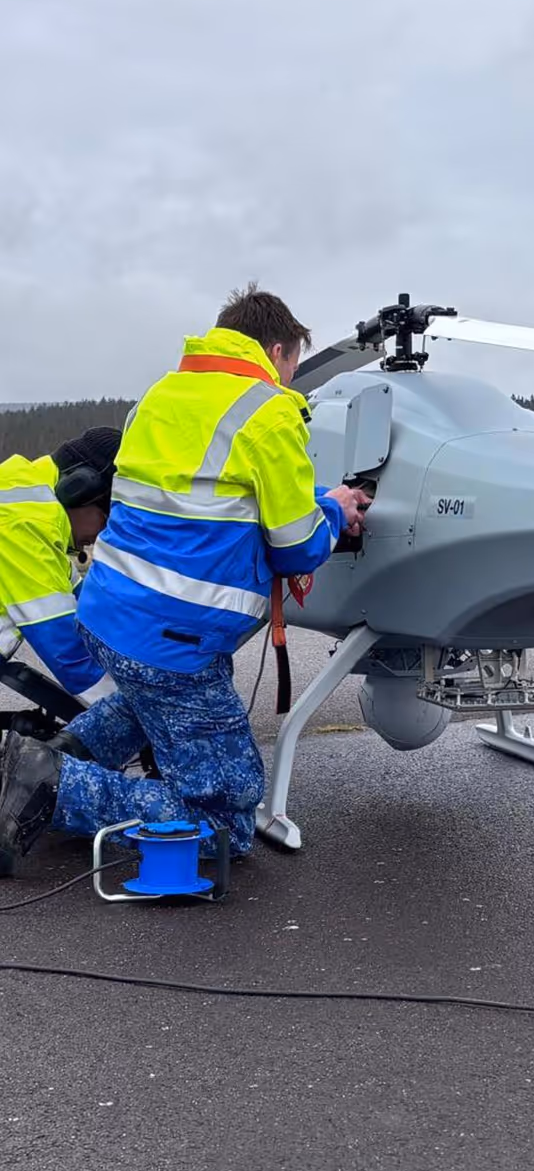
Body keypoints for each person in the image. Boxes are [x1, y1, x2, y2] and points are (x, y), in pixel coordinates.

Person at [0, 284, 370, 873]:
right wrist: (337, 511)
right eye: (293, 366)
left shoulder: (162, 395)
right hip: (174, 645)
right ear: (278, 350)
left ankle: (45, 758)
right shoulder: (270, 409)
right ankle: (46, 786)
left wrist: (314, 498)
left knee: (142, 704)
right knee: (226, 817)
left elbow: (210, 501)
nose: (289, 380)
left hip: (109, 618)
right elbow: (297, 547)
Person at [0, 426, 121, 701]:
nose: (102, 536)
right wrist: (137, 720)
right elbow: (67, 651)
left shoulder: (33, 509)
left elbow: (89, 606)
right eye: (108, 519)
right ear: (79, 489)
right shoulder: (23, 521)